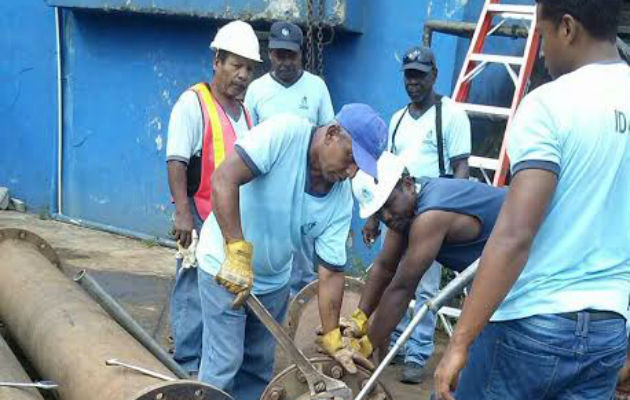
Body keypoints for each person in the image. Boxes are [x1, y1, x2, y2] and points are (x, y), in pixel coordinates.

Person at [434, 1, 630, 399]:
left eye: (542, 35)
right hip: (609, 327)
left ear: (568, 28)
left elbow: (514, 236)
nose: (540, 52)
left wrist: (459, 342)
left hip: (531, 325)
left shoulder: (550, 104)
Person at [194, 103, 388, 400]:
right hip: (223, 266)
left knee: (258, 369)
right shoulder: (284, 133)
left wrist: (333, 335)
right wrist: (236, 251)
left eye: (357, 168)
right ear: (332, 134)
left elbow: (332, 271)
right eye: (350, 158)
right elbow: (224, 178)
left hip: (273, 282)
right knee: (224, 364)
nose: (350, 172)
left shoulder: (339, 200)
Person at [362, 45, 471, 383]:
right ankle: (393, 342)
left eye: (420, 76)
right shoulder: (397, 119)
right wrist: (374, 217)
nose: (414, 83)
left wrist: (450, 213)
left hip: (433, 212)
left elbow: (460, 169)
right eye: (409, 76)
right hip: (398, 210)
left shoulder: (450, 115)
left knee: (424, 288)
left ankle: (418, 353)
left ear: (434, 76)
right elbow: (386, 172)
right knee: (393, 278)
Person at [165, 20, 261, 375]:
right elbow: (176, 159)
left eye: (249, 68)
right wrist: (182, 213)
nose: (243, 75)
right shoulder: (194, 103)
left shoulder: (245, 112)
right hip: (200, 214)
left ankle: (208, 362)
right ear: (217, 61)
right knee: (192, 287)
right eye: (236, 65)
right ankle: (188, 367)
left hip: (229, 220)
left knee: (220, 296)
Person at [343, 152, 505, 363]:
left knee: (480, 362)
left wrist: (366, 346)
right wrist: (358, 320)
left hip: (528, 256)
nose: (388, 217)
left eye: (388, 204)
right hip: (493, 267)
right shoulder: (403, 211)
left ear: (408, 184)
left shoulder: (430, 216)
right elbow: (384, 268)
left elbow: (402, 288)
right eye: (380, 213)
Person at [244, 20, 336, 296]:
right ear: (270, 54)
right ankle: (266, 317)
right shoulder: (257, 90)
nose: (284, 62)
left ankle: (297, 329)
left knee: (303, 268)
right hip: (265, 192)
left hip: (304, 192)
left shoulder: (316, 87)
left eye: (291, 55)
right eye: (279, 54)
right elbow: (247, 141)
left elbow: (330, 137)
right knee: (264, 259)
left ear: (302, 54)